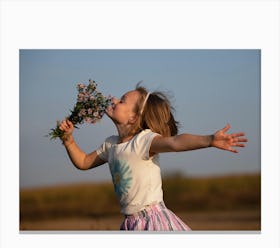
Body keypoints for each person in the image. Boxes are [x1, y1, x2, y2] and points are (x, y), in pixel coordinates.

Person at [59, 85, 247, 231]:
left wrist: (209, 140)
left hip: (153, 220)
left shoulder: (143, 140)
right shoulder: (110, 145)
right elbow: (83, 162)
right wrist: (68, 141)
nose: (115, 99)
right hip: (130, 223)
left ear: (133, 118)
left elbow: (175, 143)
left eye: (122, 100)